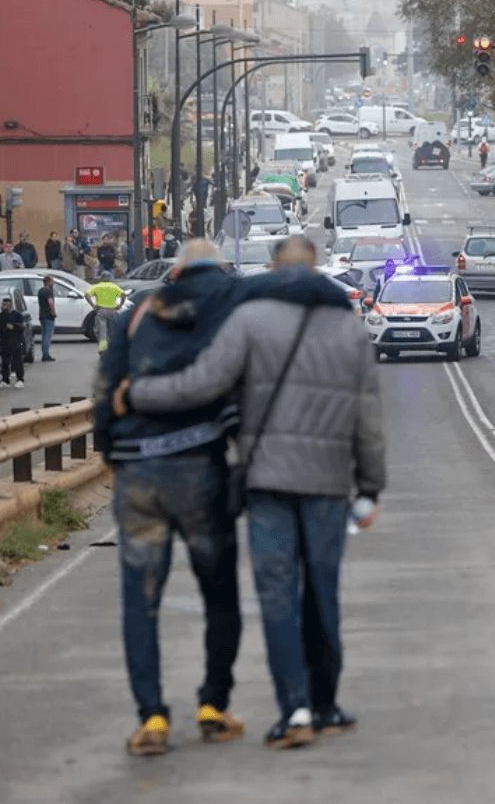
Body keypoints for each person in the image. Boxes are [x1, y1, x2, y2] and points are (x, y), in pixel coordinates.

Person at [95, 238, 357, 757]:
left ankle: (151, 718)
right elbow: (295, 281)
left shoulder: (138, 311)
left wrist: (111, 449)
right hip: (201, 467)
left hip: (139, 473)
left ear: (175, 271)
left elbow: (107, 388)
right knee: (219, 594)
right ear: (218, 267)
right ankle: (213, 705)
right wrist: (337, 297)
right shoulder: (231, 295)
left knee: (139, 601)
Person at [85, 276, 127, 352]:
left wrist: (93, 305)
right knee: (111, 330)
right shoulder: (113, 286)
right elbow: (123, 295)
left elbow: (87, 295)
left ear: (102, 278)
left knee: (102, 331)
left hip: (101, 310)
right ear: (109, 279)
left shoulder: (98, 286)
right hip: (112, 311)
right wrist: (120, 305)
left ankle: (103, 349)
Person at [0, 297, 26, 388]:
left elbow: (22, 327)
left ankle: (20, 379)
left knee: (17, 360)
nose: (3, 306)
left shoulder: (17, 315)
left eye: (5, 305)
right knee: (5, 361)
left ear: (10, 305)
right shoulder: (0, 315)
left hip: (16, 340)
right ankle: (5, 380)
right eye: (2, 304)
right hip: (4, 341)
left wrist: (14, 326)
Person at [37, 275, 57, 362]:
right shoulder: (49, 291)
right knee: (48, 336)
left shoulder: (40, 291)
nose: (53, 283)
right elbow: (50, 302)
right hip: (48, 315)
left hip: (42, 314)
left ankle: (44, 353)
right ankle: (46, 354)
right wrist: (53, 311)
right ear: (48, 282)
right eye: (52, 281)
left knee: (44, 335)